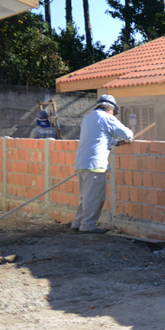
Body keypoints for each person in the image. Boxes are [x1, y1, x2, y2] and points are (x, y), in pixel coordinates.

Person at [72, 95, 134, 234]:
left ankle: (78, 223)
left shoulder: (88, 118)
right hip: (95, 164)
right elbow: (127, 134)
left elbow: (98, 137)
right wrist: (127, 137)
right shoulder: (106, 117)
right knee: (94, 197)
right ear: (110, 110)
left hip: (82, 163)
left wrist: (115, 142)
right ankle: (87, 226)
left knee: (85, 196)